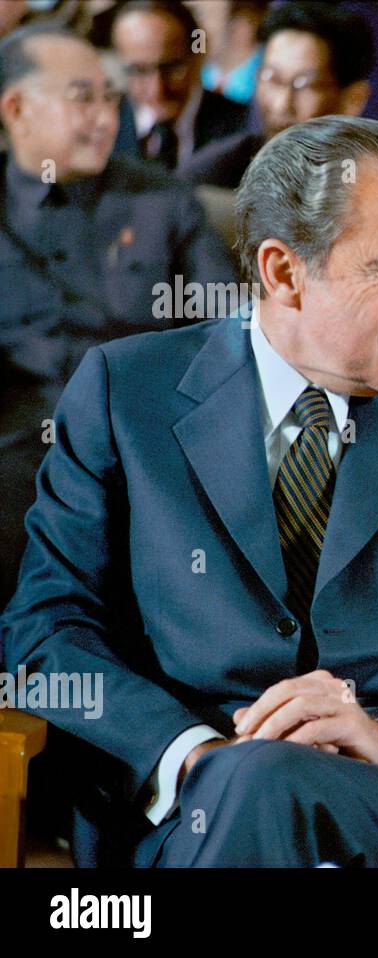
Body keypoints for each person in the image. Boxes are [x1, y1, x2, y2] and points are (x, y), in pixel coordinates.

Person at [0, 115, 378, 867]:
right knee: (253, 784)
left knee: (262, 786)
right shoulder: (125, 393)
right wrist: (186, 751)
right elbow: (44, 635)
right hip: (179, 808)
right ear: (284, 272)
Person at [0, 22, 235, 607]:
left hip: (135, 454)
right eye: (84, 98)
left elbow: (232, 337)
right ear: (16, 109)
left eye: (111, 97)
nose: (107, 116)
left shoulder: (163, 203)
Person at [180, 1, 374, 189]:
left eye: (304, 85)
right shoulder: (212, 178)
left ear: (353, 99)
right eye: (272, 79)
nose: (282, 104)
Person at [111, 0, 248, 169]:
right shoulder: (102, 129)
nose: (157, 90)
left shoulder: (244, 130)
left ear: (198, 57)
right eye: (139, 71)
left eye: (172, 69)